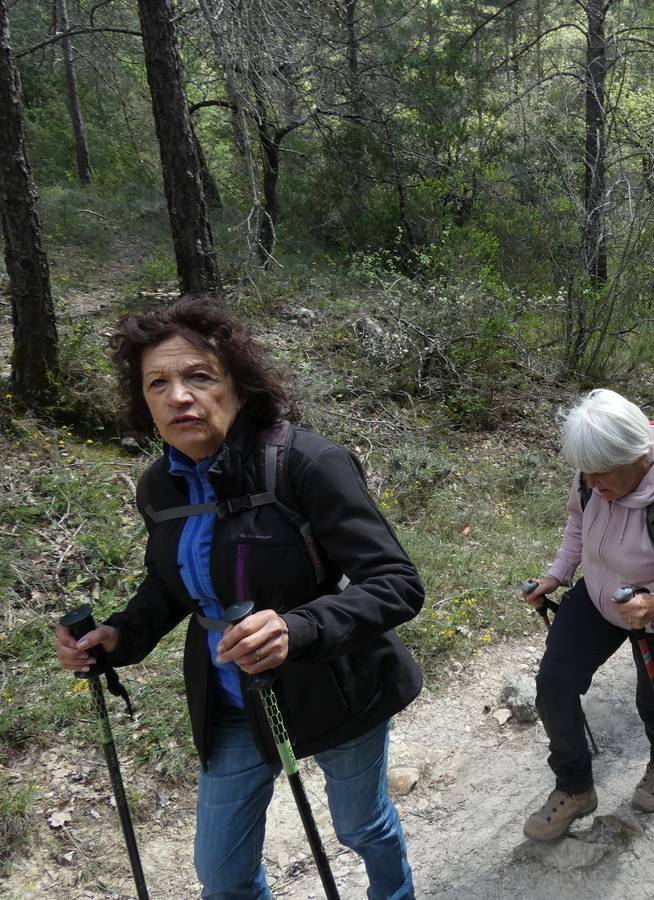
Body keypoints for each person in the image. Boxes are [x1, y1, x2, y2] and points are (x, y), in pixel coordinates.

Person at [53, 298, 424, 900]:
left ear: (240, 388)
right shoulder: (159, 485)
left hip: (336, 686)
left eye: (199, 376)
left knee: (361, 826)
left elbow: (396, 582)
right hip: (231, 697)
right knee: (221, 872)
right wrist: (119, 637)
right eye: (158, 383)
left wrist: (297, 628)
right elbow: (171, 584)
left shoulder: (306, 463)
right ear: (143, 402)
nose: (179, 396)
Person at [521, 389, 654, 841]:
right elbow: (578, 522)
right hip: (598, 600)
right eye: (586, 473)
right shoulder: (590, 480)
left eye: (602, 474)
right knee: (554, 685)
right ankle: (575, 787)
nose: (593, 484)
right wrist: (558, 574)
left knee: (653, 700)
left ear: (638, 458)